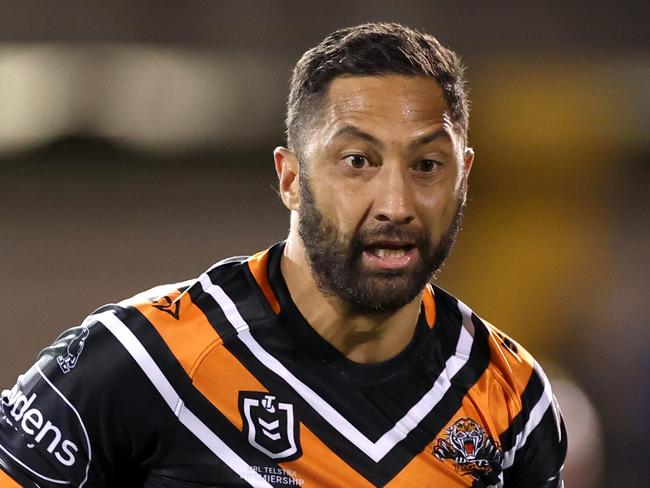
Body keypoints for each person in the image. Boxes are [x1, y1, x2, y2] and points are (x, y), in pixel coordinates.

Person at [0, 22, 566, 488]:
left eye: (426, 166)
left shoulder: (512, 400)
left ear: (464, 176)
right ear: (290, 178)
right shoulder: (144, 361)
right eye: (357, 162)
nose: (397, 204)